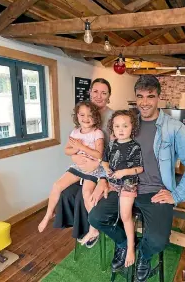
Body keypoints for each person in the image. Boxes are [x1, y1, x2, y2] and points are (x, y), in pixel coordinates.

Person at [88, 75, 185, 282]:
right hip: (123, 187)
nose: (145, 102)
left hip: (154, 191)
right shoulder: (128, 123)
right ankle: (123, 244)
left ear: (159, 97)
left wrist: (176, 194)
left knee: (158, 241)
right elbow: (110, 155)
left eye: (150, 96)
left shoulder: (174, 128)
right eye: (140, 96)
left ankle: (144, 254)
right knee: (95, 217)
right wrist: (103, 179)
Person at [53, 78, 114, 248]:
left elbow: (115, 150)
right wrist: (75, 158)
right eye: (95, 91)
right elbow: (74, 145)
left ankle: (94, 229)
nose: (99, 96)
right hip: (83, 169)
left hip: (104, 170)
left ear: (109, 97)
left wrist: (104, 178)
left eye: (104, 93)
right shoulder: (83, 115)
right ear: (89, 92)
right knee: (66, 193)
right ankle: (79, 230)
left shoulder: (113, 117)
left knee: (82, 196)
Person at [38, 101, 104, 238]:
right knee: (57, 185)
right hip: (78, 167)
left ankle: (93, 228)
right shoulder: (75, 132)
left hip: (93, 170)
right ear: (77, 116)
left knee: (86, 194)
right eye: (82, 115)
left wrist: (82, 147)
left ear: (96, 117)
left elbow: (99, 155)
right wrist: (75, 151)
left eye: (90, 115)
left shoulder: (97, 133)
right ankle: (49, 213)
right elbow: (67, 150)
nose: (86, 118)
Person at [101, 110, 143, 267]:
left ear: (133, 127)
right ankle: (93, 230)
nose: (121, 129)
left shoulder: (135, 146)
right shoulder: (111, 144)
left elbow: (140, 169)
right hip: (112, 183)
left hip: (128, 184)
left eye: (125, 126)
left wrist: (124, 172)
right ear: (112, 127)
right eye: (117, 126)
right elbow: (104, 161)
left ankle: (130, 247)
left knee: (126, 216)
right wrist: (106, 169)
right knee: (93, 197)